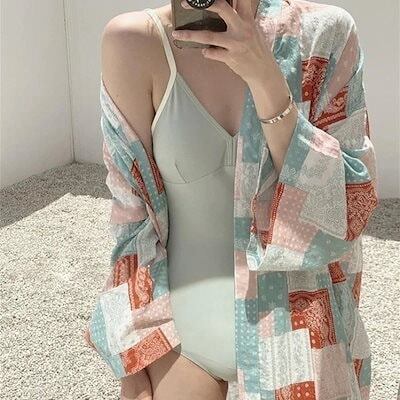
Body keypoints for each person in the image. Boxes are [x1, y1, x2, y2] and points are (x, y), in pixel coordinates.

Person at [86, 0, 378, 399]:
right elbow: (132, 216)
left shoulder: (324, 36)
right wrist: (132, 357)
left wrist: (265, 77)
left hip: (299, 328)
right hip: (180, 332)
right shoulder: (135, 41)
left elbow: (350, 207)